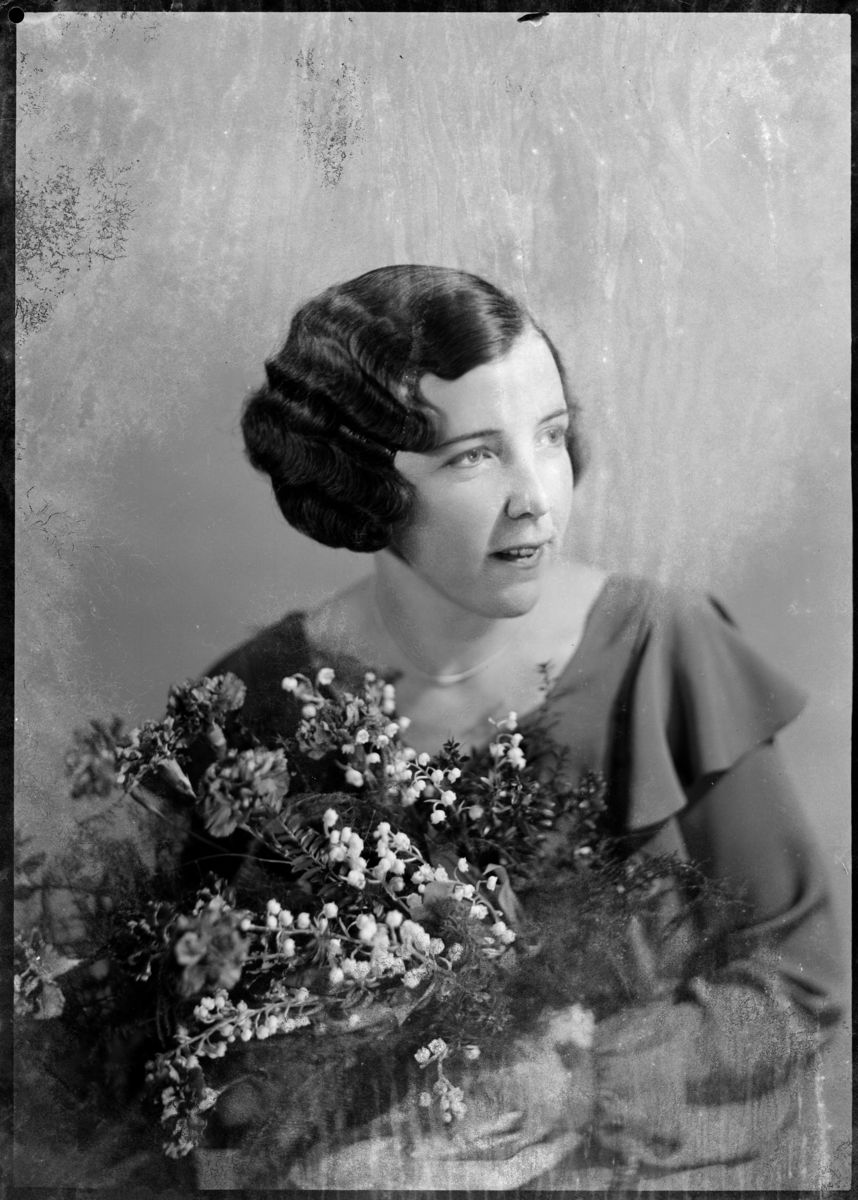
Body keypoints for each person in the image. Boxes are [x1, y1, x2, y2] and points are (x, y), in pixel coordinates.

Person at [193, 265, 842, 1189]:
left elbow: (805, 975)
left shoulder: (661, 648)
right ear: (367, 484)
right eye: (473, 457)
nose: (536, 494)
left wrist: (584, 1078)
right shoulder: (261, 697)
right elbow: (189, 1020)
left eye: (551, 436)